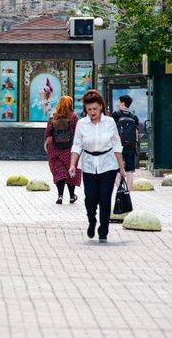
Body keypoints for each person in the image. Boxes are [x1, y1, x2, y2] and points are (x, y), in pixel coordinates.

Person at [68, 90, 126, 243]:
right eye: (89, 109)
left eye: (94, 108)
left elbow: (116, 145)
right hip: (88, 164)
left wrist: (121, 169)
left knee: (105, 197)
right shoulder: (81, 124)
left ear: (100, 106)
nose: (92, 112)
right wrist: (72, 164)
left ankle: (103, 231)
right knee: (90, 198)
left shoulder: (109, 122)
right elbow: (77, 145)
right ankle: (92, 221)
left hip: (108, 164)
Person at [45, 96, 81, 205]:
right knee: (71, 172)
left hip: (55, 150)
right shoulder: (73, 117)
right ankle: (72, 196)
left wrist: (47, 145)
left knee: (59, 172)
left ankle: (60, 196)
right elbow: (77, 132)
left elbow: (47, 133)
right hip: (70, 150)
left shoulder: (53, 117)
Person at [112, 95, 140, 191]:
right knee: (130, 172)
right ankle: (128, 193)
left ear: (123, 103)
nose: (117, 103)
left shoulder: (115, 115)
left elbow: (112, 131)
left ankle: (120, 190)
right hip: (130, 147)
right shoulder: (134, 117)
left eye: (118, 101)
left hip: (118, 147)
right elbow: (136, 133)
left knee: (116, 171)